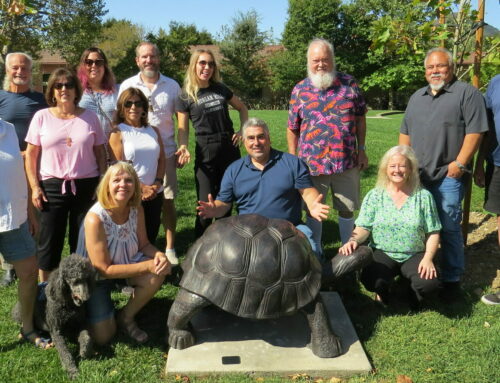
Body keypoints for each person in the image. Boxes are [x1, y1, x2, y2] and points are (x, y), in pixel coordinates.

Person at [399, 47, 488, 299]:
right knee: (416, 225)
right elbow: (405, 132)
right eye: (430, 67)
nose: (435, 71)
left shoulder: (467, 94)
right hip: (417, 175)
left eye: (440, 66)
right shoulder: (417, 96)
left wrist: (459, 164)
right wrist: (405, 163)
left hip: (448, 176)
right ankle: (416, 273)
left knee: (448, 227)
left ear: (451, 68)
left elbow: (476, 132)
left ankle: (451, 280)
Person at [197, 117, 329, 258]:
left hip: (289, 228)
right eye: (251, 138)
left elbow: (308, 192)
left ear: (269, 138)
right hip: (247, 232)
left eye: (261, 137)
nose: (256, 143)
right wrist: (214, 209)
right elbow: (224, 203)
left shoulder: (293, 163)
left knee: (312, 253)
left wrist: (313, 204)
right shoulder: (234, 170)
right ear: (244, 141)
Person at [25, 68, 107, 282]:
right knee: (49, 243)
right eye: (59, 85)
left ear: (76, 90)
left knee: (82, 239)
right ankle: (45, 291)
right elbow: (31, 155)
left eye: (69, 85)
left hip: (86, 186)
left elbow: (100, 152)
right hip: (51, 187)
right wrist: (35, 187)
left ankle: (78, 286)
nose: (64, 89)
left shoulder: (90, 117)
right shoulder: (41, 117)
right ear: (52, 90)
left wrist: (101, 184)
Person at [288, 38, 368, 256]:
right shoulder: (300, 90)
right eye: (316, 60)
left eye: (325, 59)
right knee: (315, 210)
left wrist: (362, 149)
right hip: (311, 164)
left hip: (347, 160)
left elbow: (360, 119)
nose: (320, 64)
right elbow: (292, 128)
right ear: (308, 62)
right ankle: (317, 253)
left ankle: (347, 251)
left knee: (346, 207)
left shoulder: (350, 85)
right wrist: (293, 159)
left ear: (333, 60)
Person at [76, 162, 171, 345]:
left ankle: (126, 317)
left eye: (129, 180)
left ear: (135, 186)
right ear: (107, 186)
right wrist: (147, 265)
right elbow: (103, 270)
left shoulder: (136, 209)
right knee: (104, 337)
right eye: (116, 180)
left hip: (127, 262)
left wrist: (159, 255)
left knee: (158, 272)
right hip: (96, 277)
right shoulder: (95, 218)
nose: (123, 185)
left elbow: (143, 244)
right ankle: (92, 311)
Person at [340, 146, 441, 309]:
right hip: (383, 251)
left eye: (402, 166)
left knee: (429, 284)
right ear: (385, 169)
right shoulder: (375, 195)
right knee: (372, 279)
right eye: (392, 166)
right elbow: (363, 226)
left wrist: (428, 258)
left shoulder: (423, 196)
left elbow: (433, 231)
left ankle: (411, 291)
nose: (397, 170)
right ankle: (382, 292)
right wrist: (353, 240)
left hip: (414, 252)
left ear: (410, 168)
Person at [118, 42, 181, 265]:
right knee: (133, 205)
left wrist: (183, 145)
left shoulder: (172, 85)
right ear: (137, 60)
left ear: (159, 58)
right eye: (144, 57)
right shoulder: (127, 85)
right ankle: (131, 248)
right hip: (135, 154)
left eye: (153, 56)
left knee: (167, 201)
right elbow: (121, 115)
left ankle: (170, 247)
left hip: (166, 153)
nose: (149, 60)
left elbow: (181, 118)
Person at [176, 49, 248, 237]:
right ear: (194, 65)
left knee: (226, 201)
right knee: (204, 204)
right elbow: (183, 128)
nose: (206, 67)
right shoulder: (185, 95)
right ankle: (200, 248)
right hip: (206, 149)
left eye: (210, 64)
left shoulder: (220, 88)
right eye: (202, 63)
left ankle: (225, 246)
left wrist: (243, 130)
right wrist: (183, 146)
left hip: (228, 147)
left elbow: (242, 108)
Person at [0, 118, 51, 348]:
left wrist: (30, 213)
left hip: (14, 215)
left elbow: (19, 173)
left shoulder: (8, 129)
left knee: (29, 273)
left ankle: (28, 328)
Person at [0, 52, 46, 286]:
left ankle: (31, 261)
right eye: (14, 68)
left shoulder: (41, 100)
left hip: (33, 168)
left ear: (31, 71)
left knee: (32, 216)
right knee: (8, 215)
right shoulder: (0, 98)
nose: (19, 72)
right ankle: (9, 266)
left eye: (24, 68)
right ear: (7, 71)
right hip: (5, 169)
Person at [109, 88, 165, 245]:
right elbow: (118, 166)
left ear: (144, 108)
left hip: (155, 192)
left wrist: (157, 184)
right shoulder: (117, 132)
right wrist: (141, 188)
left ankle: (148, 268)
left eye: (138, 103)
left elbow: (162, 160)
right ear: (122, 107)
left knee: (151, 233)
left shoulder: (154, 131)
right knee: (130, 238)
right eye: (128, 103)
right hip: (130, 195)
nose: (133, 107)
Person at [77, 47, 118, 153]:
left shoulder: (117, 90)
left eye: (98, 62)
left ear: (104, 66)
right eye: (89, 62)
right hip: (86, 153)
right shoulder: (75, 91)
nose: (94, 66)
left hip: (113, 151)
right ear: (83, 66)